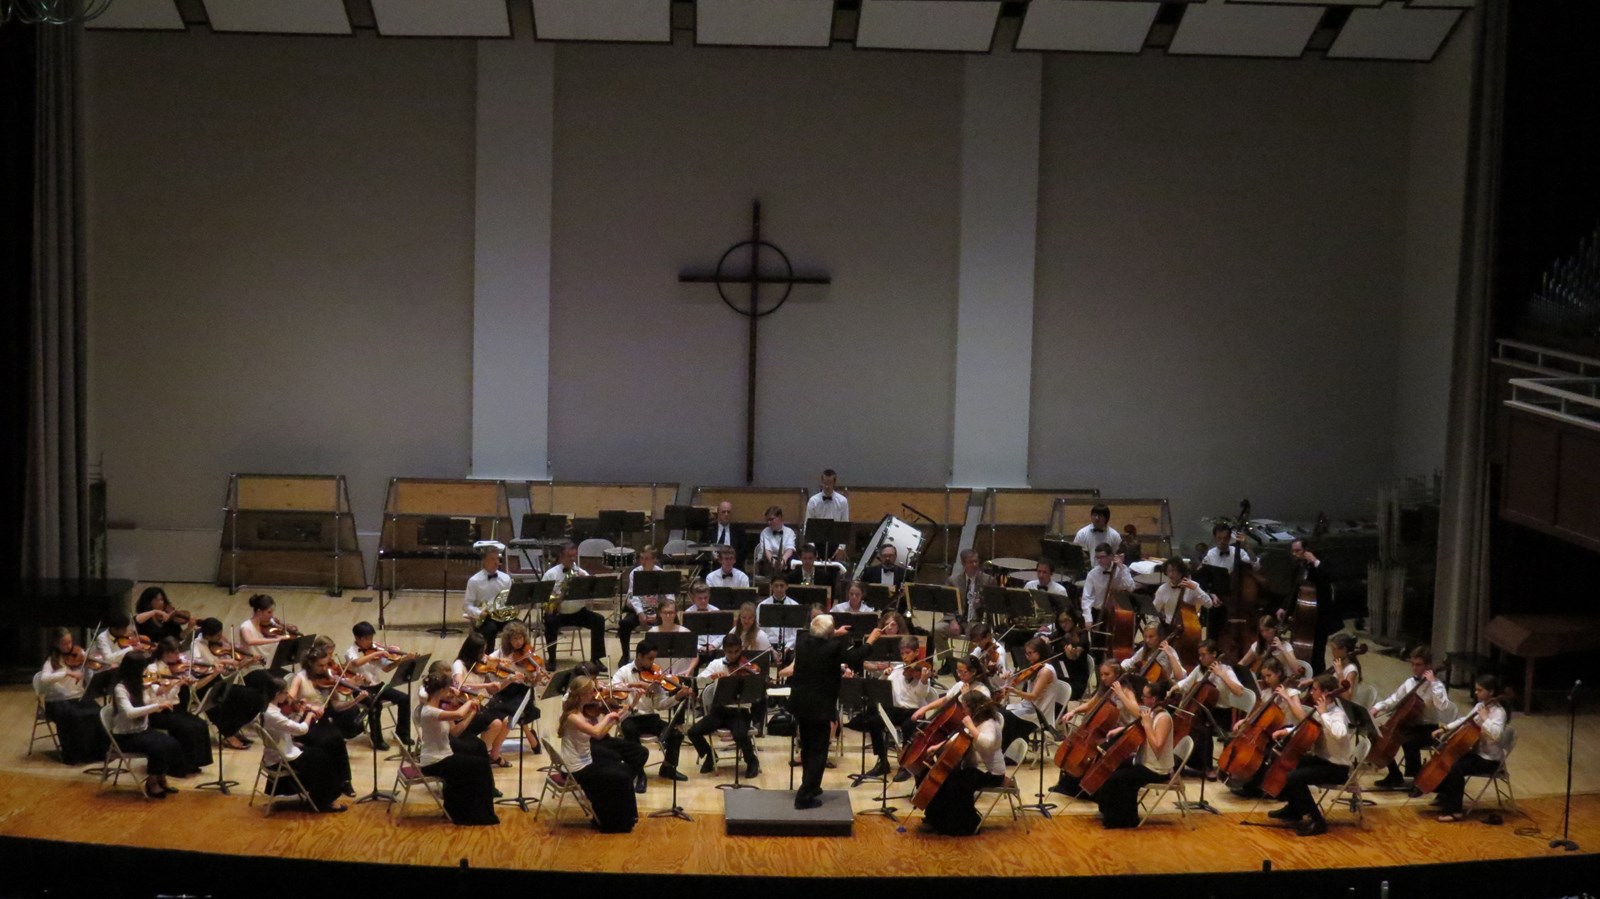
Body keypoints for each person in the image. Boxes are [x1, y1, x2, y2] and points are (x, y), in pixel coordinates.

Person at [780, 614, 882, 809]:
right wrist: (871, 641)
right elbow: (854, 657)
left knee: (807, 746)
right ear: (829, 634)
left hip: (801, 703)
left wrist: (834, 632)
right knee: (819, 750)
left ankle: (811, 786)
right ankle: (804, 795)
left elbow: (820, 638)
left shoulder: (803, 641)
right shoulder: (834, 648)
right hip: (820, 705)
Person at [1266, 674, 1355, 836]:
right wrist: (1286, 731)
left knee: (1295, 777)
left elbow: (1340, 733)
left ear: (1325, 692)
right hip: (1321, 760)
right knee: (1285, 761)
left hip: (1337, 768)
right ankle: (1294, 810)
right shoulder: (1319, 711)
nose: (1311, 692)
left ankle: (1318, 821)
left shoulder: (1338, 714)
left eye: (1314, 689)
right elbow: (1307, 729)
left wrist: (1324, 714)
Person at [416, 669, 500, 825]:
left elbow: (455, 731)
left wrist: (472, 713)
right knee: (480, 765)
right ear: (441, 691)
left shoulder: (439, 708)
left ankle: (473, 811)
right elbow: (459, 714)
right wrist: (470, 702)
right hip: (434, 762)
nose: (450, 692)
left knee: (480, 759)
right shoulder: (430, 711)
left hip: (444, 756)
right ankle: (473, 814)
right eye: (447, 689)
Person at [847, 635, 937, 779]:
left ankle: (905, 765)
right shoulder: (897, 670)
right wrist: (884, 676)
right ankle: (882, 762)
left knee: (908, 726)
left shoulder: (922, 671)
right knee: (874, 721)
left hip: (914, 711)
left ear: (916, 652)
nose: (905, 656)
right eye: (902, 653)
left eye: (908, 653)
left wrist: (923, 681)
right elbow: (881, 690)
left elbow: (921, 696)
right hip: (896, 710)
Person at [919, 690, 1008, 836]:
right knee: (944, 781)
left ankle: (965, 825)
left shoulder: (990, 724)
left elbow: (987, 743)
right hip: (975, 769)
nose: (963, 710)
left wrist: (970, 726)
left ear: (974, 708)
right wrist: (938, 747)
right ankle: (936, 820)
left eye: (965, 707)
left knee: (957, 785)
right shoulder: (976, 721)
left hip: (991, 774)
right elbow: (957, 737)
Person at [1092, 675, 1174, 829]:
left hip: (1156, 769)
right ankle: (1111, 812)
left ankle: (1122, 820)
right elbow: (1137, 716)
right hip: (1143, 762)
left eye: (1144, 696)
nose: (1142, 699)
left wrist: (1147, 725)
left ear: (1154, 699)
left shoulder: (1163, 718)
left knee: (1118, 779)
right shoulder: (1150, 712)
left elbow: (1157, 747)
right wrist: (1121, 729)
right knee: (1113, 769)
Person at [558, 675, 638, 832]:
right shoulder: (572, 716)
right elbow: (595, 732)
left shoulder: (580, 713)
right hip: (576, 768)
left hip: (584, 761)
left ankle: (627, 818)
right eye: (591, 691)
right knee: (620, 776)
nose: (594, 694)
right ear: (582, 695)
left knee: (623, 769)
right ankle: (613, 823)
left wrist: (617, 717)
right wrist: (608, 717)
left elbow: (600, 735)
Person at [1371, 645, 1456, 790]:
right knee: (1380, 734)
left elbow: (1443, 706)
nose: (1414, 668)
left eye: (1418, 665)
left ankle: (1417, 780)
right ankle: (1394, 775)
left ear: (1428, 666)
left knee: (1409, 741)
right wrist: (1377, 707)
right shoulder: (1410, 682)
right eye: (1413, 664)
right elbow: (1395, 699)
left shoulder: (1437, 686)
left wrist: (1433, 682)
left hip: (1428, 729)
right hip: (1410, 725)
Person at [259, 674, 348, 812]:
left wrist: (301, 711)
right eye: (285, 692)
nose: (287, 695)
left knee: (320, 753)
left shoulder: (269, 709)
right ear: (277, 694)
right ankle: (323, 801)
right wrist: (310, 714)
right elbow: (301, 730)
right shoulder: (273, 715)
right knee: (324, 760)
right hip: (282, 757)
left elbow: (291, 729)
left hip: (279, 751)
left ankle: (318, 796)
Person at [1431, 675, 1511, 823]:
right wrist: (1445, 729)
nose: (1476, 693)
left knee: (1456, 768)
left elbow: (1497, 736)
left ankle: (1455, 811)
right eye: (1476, 689)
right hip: (1477, 753)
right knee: (1449, 759)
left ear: (1491, 692)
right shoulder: (1480, 706)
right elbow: (1465, 720)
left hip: (1490, 759)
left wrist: (1485, 719)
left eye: (1479, 690)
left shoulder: (1499, 713)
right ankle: (1444, 796)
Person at [614, 639, 692, 783]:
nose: (652, 662)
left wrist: (677, 697)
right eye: (650, 658)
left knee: (676, 734)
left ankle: (668, 768)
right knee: (630, 731)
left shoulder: (655, 676)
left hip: (650, 717)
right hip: (630, 717)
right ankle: (638, 772)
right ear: (639, 656)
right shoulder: (623, 671)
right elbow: (613, 688)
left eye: (654, 659)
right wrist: (636, 684)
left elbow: (660, 705)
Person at [1169, 639, 1247, 779]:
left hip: (1223, 713)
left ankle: (1207, 767)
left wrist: (1221, 674)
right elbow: (1186, 683)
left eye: (1203, 655)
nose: (1200, 658)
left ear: (1214, 654)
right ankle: (1183, 761)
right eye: (1199, 655)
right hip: (1204, 710)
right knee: (1194, 724)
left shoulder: (1226, 670)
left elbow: (1239, 691)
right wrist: (1174, 688)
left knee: (1203, 729)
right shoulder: (1200, 669)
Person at [109, 652, 184, 799]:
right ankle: (152, 782)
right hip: (125, 736)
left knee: (171, 743)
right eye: (142, 669)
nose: (145, 672)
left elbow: (152, 701)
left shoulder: (141, 684)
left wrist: (173, 687)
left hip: (142, 730)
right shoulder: (120, 689)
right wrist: (157, 706)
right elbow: (130, 713)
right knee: (157, 748)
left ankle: (161, 777)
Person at [688, 635, 761, 779]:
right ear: (724, 650)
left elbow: (753, 693)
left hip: (740, 711)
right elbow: (700, 680)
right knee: (693, 732)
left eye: (736, 651)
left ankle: (752, 761)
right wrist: (712, 676)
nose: (733, 655)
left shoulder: (747, 666)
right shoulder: (716, 664)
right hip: (719, 711)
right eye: (729, 652)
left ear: (741, 649)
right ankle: (710, 755)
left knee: (739, 734)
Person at [190, 617, 268, 749]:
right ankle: (229, 733)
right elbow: (199, 665)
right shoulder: (196, 646)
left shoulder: (216, 645)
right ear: (208, 636)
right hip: (207, 686)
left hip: (220, 682)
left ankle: (232, 729)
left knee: (258, 699)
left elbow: (227, 672)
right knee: (247, 698)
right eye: (218, 635)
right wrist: (223, 661)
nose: (221, 638)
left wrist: (247, 662)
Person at [36, 627, 109, 764]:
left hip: (77, 697)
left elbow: (90, 672)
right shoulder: (51, 661)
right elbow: (44, 678)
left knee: (97, 712)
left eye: (70, 642)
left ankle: (97, 753)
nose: (69, 646)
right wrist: (67, 672)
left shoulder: (79, 654)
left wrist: (99, 666)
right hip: (57, 702)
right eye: (64, 643)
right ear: (56, 644)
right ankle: (76, 755)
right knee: (75, 716)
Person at [146, 637, 213, 776]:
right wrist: (176, 684)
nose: (179, 656)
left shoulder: (172, 668)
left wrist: (182, 683)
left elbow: (175, 694)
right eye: (175, 653)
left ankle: (194, 762)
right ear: (166, 653)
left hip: (174, 708)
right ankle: (179, 766)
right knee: (186, 727)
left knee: (200, 724)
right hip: (158, 711)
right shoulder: (152, 669)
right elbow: (159, 694)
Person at [344, 621, 414, 750]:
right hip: (360, 689)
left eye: (371, 638)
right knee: (375, 705)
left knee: (404, 698)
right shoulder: (350, 651)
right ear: (358, 638)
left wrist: (401, 660)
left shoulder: (374, 648)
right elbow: (356, 663)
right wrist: (376, 654)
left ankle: (402, 734)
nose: (371, 641)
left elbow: (387, 668)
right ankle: (377, 740)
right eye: (368, 639)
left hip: (377, 685)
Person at [449, 633, 514, 763]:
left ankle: (489, 754)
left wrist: (510, 679)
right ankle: (482, 756)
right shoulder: (459, 665)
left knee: (506, 721)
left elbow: (492, 690)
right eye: (481, 652)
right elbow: (460, 686)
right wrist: (486, 685)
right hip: (463, 707)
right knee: (496, 724)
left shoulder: (480, 665)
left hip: (476, 704)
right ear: (472, 651)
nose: (484, 655)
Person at [543, 542, 606, 669]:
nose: (572, 559)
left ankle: (596, 659)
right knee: (550, 622)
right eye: (569, 556)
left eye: (574, 556)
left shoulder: (581, 572)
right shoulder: (551, 574)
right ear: (561, 557)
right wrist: (562, 594)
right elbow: (544, 600)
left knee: (598, 620)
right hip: (558, 612)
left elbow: (591, 594)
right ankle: (552, 658)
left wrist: (585, 584)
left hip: (578, 612)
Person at [998, 637, 1058, 763]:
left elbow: (1033, 696)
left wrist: (1014, 691)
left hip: (1039, 713)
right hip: (1028, 707)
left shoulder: (1046, 671)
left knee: (1007, 717)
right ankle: (1006, 751)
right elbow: (1021, 684)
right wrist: (1009, 678)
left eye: (1030, 653)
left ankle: (1013, 756)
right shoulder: (1035, 667)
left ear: (1040, 652)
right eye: (1026, 653)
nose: (1027, 656)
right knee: (1000, 712)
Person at [1289, 538, 1336, 672]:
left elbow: (1329, 577)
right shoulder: (1299, 567)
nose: (1294, 554)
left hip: (1320, 617)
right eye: (1293, 551)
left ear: (1306, 551)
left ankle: (1318, 677)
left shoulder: (1321, 563)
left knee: (1318, 652)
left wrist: (1315, 562)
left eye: (1297, 551)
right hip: (1304, 617)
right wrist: (1284, 608)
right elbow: (1294, 591)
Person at [618, 546, 667, 664]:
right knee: (624, 624)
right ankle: (625, 655)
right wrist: (640, 613)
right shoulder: (635, 573)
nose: (643, 562)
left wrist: (658, 615)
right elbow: (632, 596)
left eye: (647, 559)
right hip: (638, 610)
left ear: (654, 560)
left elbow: (668, 597)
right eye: (641, 558)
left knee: (670, 623)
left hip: (656, 611)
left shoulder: (661, 573)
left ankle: (662, 655)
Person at [462, 545, 514, 642]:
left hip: (503, 616)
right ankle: (488, 652)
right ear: (484, 561)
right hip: (486, 618)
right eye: (492, 559)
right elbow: (467, 605)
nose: (496, 562)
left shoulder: (506, 578)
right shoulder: (474, 581)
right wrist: (479, 613)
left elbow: (510, 600)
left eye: (497, 559)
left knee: (518, 628)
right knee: (490, 629)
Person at [1080, 543, 1134, 629]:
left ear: (1111, 556)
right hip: (1099, 612)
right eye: (1097, 557)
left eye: (1102, 557)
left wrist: (1122, 568)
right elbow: (1087, 597)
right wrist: (1088, 618)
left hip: (1118, 612)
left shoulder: (1121, 569)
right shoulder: (1092, 574)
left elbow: (1131, 588)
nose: (1099, 560)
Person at [1152, 558, 1215, 630]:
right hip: (1169, 627)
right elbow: (1154, 610)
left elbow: (1209, 604)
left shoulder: (1192, 586)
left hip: (1190, 627)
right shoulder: (1162, 589)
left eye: (1174, 570)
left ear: (1181, 571)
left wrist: (1196, 589)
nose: (1171, 574)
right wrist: (1156, 626)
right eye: (1169, 571)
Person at [803, 469, 850, 559]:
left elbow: (845, 527)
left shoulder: (842, 501)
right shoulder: (813, 501)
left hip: (835, 543)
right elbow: (807, 526)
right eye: (825, 483)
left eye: (830, 483)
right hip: (817, 543)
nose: (827, 486)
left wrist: (841, 548)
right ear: (821, 482)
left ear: (834, 483)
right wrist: (812, 548)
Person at [647, 599, 699, 677]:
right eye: (665, 613)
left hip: (681, 675)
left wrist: (689, 670)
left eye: (671, 613)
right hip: (659, 676)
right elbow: (647, 656)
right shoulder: (652, 632)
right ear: (660, 613)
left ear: (675, 614)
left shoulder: (685, 632)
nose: (668, 616)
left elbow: (695, 655)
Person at [757, 574, 801, 658]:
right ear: (771, 586)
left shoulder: (795, 606)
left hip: (789, 646)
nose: (779, 589)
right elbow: (760, 630)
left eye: (782, 586)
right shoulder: (762, 605)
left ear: (787, 586)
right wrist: (770, 648)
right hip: (768, 645)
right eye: (776, 586)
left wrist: (787, 647)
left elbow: (796, 631)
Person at [757, 506, 797, 577]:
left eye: (771, 519)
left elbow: (790, 549)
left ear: (780, 517)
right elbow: (767, 550)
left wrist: (783, 561)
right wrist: (773, 561)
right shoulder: (765, 532)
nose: (769, 522)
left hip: (785, 559)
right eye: (767, 520)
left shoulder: (790, 532)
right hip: (769, 560)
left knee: (793, 562)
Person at [1326, 633, 1363, 698]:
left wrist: (1340, 674)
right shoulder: (1338, 664)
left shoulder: (1351, 670)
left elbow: (1347, 696)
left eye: (1334, 649)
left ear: (1344, 649)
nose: (1332, 652)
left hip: (1342, 703)